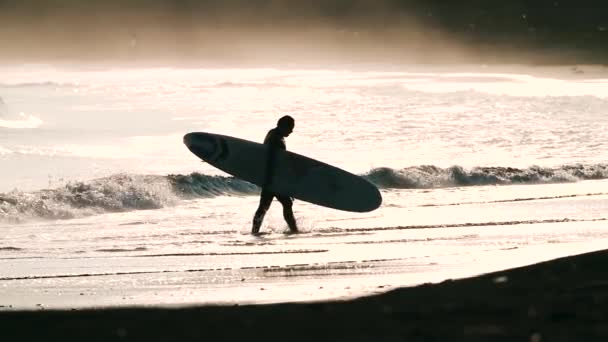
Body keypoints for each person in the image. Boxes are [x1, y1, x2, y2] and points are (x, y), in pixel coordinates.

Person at [252, 115, 299, 235]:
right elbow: (275, 162)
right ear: (283, 126)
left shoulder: (274, 134)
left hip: (270, 177)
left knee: (265, 206)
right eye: (290, 128)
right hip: (272, 178)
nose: (291, 131)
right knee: (281, 203)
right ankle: (294, 230)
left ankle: (255, 231)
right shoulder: (275, 139)